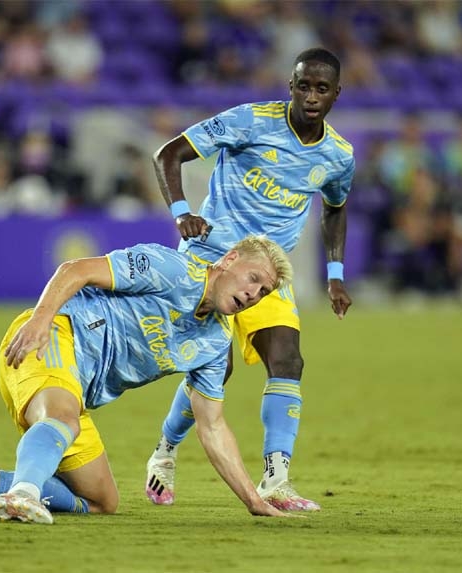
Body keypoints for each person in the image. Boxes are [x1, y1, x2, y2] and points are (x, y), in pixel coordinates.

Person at [0, 235, 295, 524]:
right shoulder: (172, 269)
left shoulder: (216, 341)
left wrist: (253, 500)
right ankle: (23, 494)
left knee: (102, 501)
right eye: (253, 279)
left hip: (77, 387)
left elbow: (212, 427)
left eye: (264, 292)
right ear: (229, 259)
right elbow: (74, 269)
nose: (253, 294)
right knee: (62, 418)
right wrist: (40, 319)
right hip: (52, 335)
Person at [143, 47, 354, 512]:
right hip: (213, 264)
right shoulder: (250, 121)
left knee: (289, 360)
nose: (311, 96)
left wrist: (335, 274)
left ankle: (276, 479)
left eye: (322, 88)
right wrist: (182, 213)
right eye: (303, 86)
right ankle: (164, 451)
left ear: (337, 93)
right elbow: (169, 154)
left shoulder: (338, 155)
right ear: (291, 86)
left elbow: (336, 208)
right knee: (214, 367)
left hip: (269, 274)